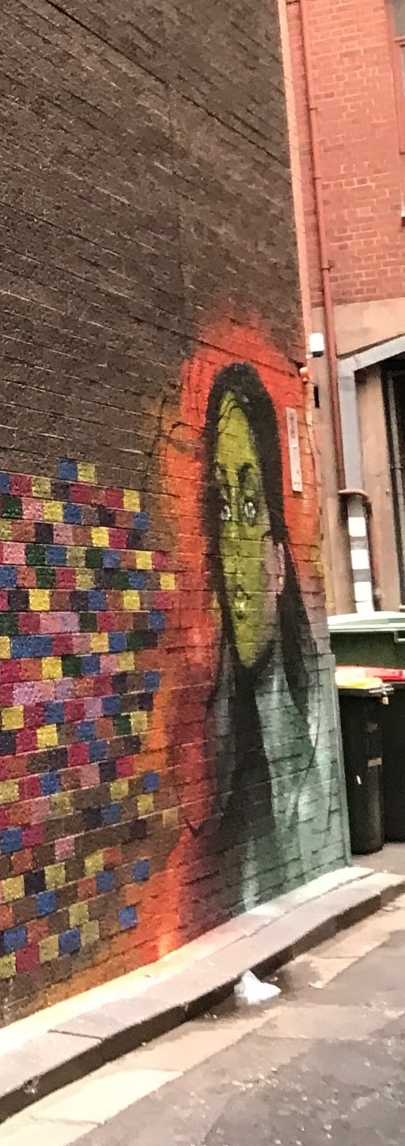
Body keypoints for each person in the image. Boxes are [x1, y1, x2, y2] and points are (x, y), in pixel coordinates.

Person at [199, 362, 336, 906]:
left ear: (279, 559)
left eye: (251, 507)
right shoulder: (229, 776)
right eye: (223, 510)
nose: (234, 556)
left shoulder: (313, 756)